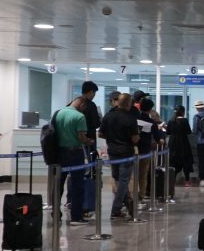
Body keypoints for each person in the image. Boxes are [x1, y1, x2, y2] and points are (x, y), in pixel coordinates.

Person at [99, 93, 140, 219]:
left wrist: (112, 138)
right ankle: (116, 208)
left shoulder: (108, 116)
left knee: (117, 178)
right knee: (123, 180)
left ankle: (128, 204)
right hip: (126, 152)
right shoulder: (130, 118)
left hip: (112, 151)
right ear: (128, 104)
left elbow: (100, 134)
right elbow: (135, 138)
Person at [53, 96, 92, 226]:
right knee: (77, 185)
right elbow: (81, 137)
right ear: (82, 105)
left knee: (58, 184)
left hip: (59, 153)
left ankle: (55, 214)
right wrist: (89, 141)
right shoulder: (79, 116)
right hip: (75, 153)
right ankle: (76, 217)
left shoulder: (58, 113)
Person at [166, 105, 194, 187]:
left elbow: (168, 132)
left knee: (173, 162)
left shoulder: (171, 120)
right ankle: (187, 181)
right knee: (185, 162)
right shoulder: (184, 120)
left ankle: (172, 181)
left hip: (173, 144)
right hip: (183, 143)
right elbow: (189, 132)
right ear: (183, 112)